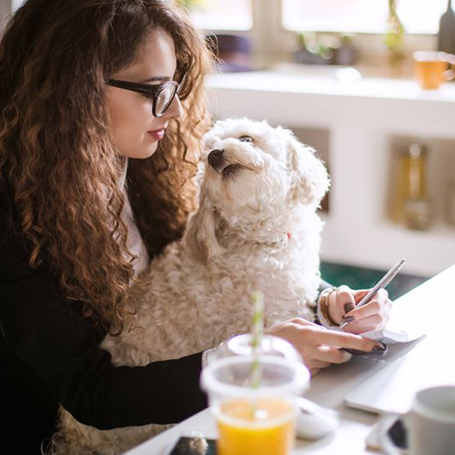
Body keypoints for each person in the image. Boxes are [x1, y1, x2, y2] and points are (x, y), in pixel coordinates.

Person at [0, 0, 391, 453]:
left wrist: (329, 301)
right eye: (155, 91)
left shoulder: (147, 161)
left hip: (170, 416)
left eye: (176, 88)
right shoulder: (13, 217)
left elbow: (229, 254)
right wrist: (247, 360)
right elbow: (92, 393)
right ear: (75, 89)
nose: (176, 112)